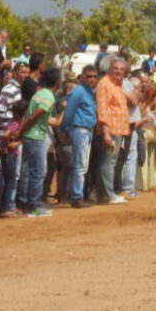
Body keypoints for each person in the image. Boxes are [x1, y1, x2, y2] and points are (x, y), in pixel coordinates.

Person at [18, 67, 63, 217]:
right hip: (36, 137)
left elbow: (39, 118)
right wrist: (19, 132)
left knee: (26, 171)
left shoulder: (39, 93)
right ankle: (33, 206)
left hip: (30, 135)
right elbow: (33, 117)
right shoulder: (49, 97)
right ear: (57, 81)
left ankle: (24, 203)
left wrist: (21, 132)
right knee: (38, 172)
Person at [59, 64, 98, 208]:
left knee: (83, 166)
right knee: (80, 165)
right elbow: (68, 112)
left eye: (94, 76)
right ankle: (76, 197)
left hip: (87, 130)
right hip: (80, 130)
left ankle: (77, 195)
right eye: (89, 76)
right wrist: (64, 130)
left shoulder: (89, 92)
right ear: (82, 77)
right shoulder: (78, 92)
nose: (92, 79)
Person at [94, 56, 130, 204]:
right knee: (108, 161)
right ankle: (107, 194)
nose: (119, 71)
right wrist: (106, 133)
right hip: (110, 130)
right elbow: (102, 109)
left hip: (118, 129)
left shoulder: (117, 84)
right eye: (115, 68)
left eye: (122, 69)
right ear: (109, 69)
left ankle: (106, 193)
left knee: (111, 161)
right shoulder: (104, 84)